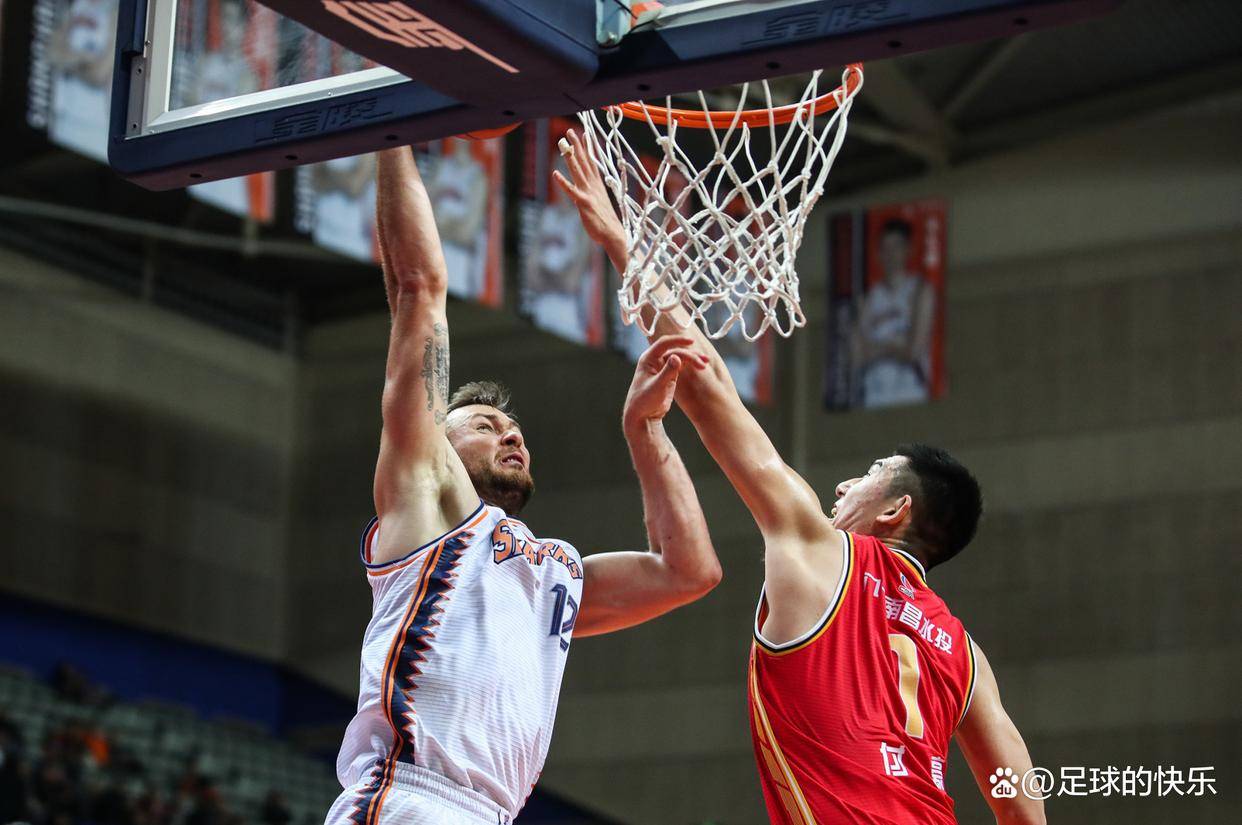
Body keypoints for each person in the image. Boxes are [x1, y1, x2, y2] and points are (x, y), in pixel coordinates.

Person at [554, 128, 1045, 825]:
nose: (845, 486)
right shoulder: (964, 653)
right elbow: (1020, 796)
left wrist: (619, 239)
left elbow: (703, 381)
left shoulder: (821, 549)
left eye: (870, 474)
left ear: (895, 509)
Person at [323, 147, 722, 825]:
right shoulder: (428, 502)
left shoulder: (551, 576)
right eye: (484, 422)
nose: (512, 434)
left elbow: (690, 570)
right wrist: (391, 134)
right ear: (434, 443)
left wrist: (645, 429)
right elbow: (418, 287)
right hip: (409, 796)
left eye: (515, 427)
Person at [852, 218, 936, 408]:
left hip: (911, 390)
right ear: (878, 254)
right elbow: (857, 355)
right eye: (886, 248)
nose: (891, 255)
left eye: (896, 247)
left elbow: (913, 351)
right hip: (874, 393)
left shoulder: (919, 291)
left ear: (908, 250)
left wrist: (877, 349)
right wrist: (895, 346)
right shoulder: (868, 298)